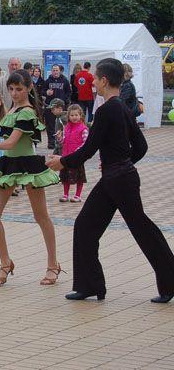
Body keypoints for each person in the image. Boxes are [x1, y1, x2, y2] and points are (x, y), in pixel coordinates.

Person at [46, 58, 174, 304]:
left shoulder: (106, 110)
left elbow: (89, 149)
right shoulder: (124, 108)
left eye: (95, 78)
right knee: (86, 226)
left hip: (118, 180)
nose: (92, 81)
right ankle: (90, 286)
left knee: (142, 230)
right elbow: (142, 146)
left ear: (104, 80)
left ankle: (169, 283)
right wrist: (123, 164)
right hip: (118, 179)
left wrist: (62, 161)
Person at [0, 70, 62, 287]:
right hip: (9, 165)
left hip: (28, 165)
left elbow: (10, 143)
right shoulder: (12, 109)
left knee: (41, 217)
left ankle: (52, 264)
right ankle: (5, 262)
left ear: (28, 88)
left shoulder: (27, 112)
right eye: (11, 89)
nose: (15, 93)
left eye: (19, 89)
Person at [57, 104, 88, 203]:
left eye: (76, 115)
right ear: (68, 116)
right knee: (65, 176)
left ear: (81, 116)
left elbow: (85, 143)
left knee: (79, 177)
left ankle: (77, 195)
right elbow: (64, 142)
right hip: (66, 156)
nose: (74, 117)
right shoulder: (66, 127)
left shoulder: (83, 129)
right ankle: (65, 194)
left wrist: (78, 152)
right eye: (72, 115)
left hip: (77, 157)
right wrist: (60, 139)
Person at [41, 64, 71, 150]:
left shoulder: (65, 81)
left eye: (57, 70)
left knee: (61, 125)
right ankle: (51, 143)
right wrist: (46, 92)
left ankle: (62, 142)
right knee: (50, 125)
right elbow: (42, 91)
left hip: (61, 107)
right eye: (53, 70)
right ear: (51, 71)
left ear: (60, 71)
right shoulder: (47, 81)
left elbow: (69, 92)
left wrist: (65, 100)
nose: (55, 72)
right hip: (50, 106)